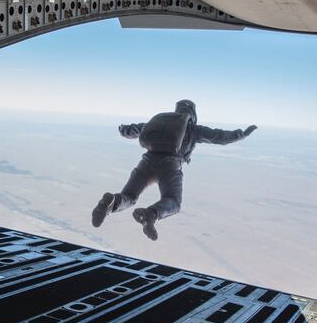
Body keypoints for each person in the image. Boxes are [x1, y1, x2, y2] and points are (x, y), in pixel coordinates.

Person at [91, 100, 257, 240]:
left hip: (147, 161)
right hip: (170, 165)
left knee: (129, 196)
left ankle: (112, 201)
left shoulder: (160, 123)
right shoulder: (193, 129)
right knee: (173, 201)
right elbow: (221, 137)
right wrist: (242, 134)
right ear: (193, 113)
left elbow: (132, 130)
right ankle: (151, 214)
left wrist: (122, 129)